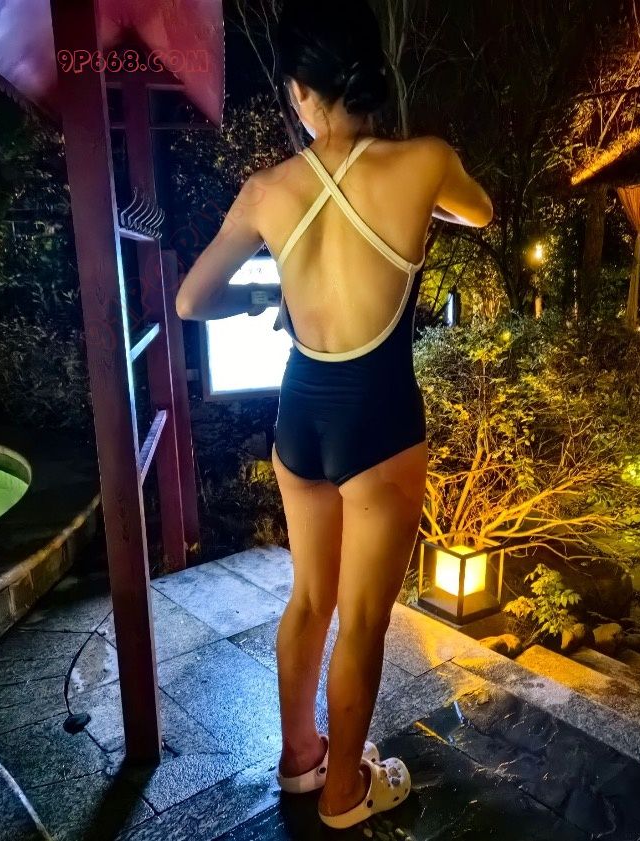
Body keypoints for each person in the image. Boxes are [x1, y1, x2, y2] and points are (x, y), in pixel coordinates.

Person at [175, 0, 493, 829]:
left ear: (304, 92)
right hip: (379, 420)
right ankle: (347, 792)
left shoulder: (267, 189)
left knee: (309, 599)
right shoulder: (425, 161)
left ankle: (300, 761)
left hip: (301, 415)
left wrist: (265, 296)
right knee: (363, 620)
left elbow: (191, 299)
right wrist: (419, 204)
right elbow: (482, 211)